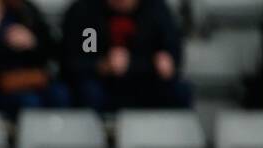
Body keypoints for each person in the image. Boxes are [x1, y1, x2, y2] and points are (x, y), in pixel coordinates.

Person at [60, 0, 191, 112]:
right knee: (88, 91)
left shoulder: (155, 10)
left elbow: (172, 51)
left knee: (179, 89)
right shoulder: (86, 11)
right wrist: (101, 65)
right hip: (102, 83)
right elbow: (74, 60)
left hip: (145, 80)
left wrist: (167, 61)